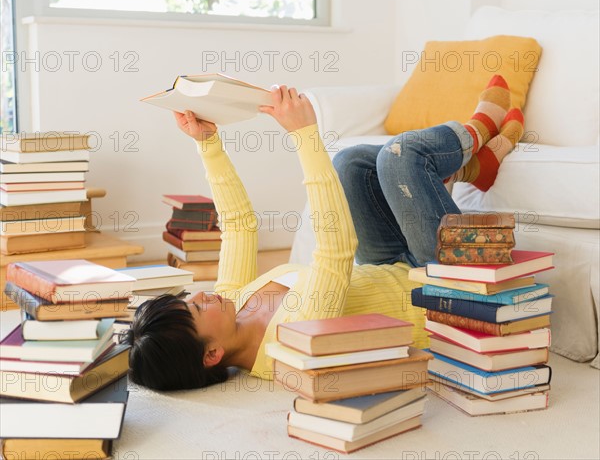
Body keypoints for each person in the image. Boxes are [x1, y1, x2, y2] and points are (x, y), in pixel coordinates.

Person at [124, 77, 524, 392]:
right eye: (195, 309)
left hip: (392, 265)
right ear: (212, 354)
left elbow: (240, 224)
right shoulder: (290, 341)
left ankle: (475, 168)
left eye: (187, 298)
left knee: (352, 163)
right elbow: (335, 249)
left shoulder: (231, 303)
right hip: (445, 294)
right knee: (401, 157)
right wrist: (304, 135)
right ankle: (478, 131)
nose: (201, 294)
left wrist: (207, 144)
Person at [332, 75, 524, 267]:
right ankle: (475, 134)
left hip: (382, 267)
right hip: (435, 275)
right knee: (400, 153)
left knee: (349, 163)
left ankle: (474, 165)